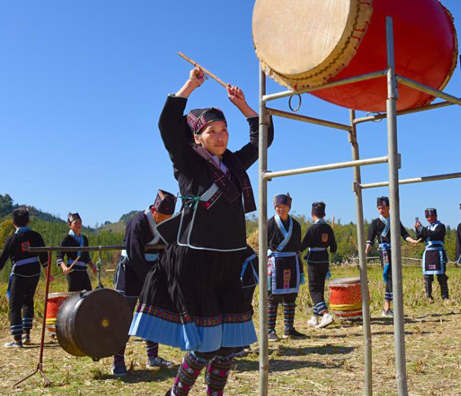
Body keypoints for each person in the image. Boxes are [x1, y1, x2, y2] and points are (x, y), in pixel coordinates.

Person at [128, 66, 272, 396]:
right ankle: (177, 393)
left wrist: (245, 107)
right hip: (195, 262)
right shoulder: (188, 163)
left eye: (224, 130)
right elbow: (167, 125)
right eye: (212, 131)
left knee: (228, 346)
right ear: (197, 137)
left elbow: (262, 139)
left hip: (229, 261)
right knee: (206, 345)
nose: (221, 136)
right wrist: (189, 86)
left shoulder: (235, 164)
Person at [111, 190, 178, 376]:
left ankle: (153, 357)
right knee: (125, 315)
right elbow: (134, 254)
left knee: (151, 313)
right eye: (162, 217)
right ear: (154, 210)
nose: (164, 221)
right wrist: (150, 277)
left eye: (168, 218)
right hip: (131, 272)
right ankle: (118, 360)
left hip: (152, 270)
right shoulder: (138, 222)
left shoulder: (165, 223)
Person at [0, 208, 51, 347]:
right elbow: (44, 257)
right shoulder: (36, 236)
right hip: (34, 272)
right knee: (28, 301)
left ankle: (17, 339)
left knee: (15, 304)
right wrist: (48, 273)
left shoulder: (12, 239)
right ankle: (26, 334)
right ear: (28, 221)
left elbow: (2, 260)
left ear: (13, 223)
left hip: (20, 272)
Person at [365, 196, 419, 318]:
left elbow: (404, 234)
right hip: (384, 252)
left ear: (389, 207)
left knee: (395, 277)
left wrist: (412, 241)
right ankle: (387, 308)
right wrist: (366, 251)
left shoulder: (395, 220)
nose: (380, 210)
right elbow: (370, 239)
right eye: (378, 208)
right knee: (390, 276)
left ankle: (389, 307)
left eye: (383, 208)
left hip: (394, 251)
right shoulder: (375, 223)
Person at [266, 193, 306, 341]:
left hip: (291, 262)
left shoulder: (296, 225)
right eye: (278, 207)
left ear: (289, 207)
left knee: (291, 296)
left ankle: (289, 329)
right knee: (273, 297)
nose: (280, 209)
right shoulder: (270, 224)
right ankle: (270, 330)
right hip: (275, 263)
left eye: (283, 207)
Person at [301, 201, 337, 329]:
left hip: (314, 261)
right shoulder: (328, 228)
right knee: (320, 288)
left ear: (312, 215)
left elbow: (303, 245)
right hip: (324, 260)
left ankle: (326, 315)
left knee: (313, 289)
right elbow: (333, 248)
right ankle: (315, 317)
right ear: (324, 214)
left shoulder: (312, 229)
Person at [414, 208, 449, 300]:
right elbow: (421, 238)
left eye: (431, 216)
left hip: (438, 251)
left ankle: (445, 295)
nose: (429, 218)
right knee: (428, 276)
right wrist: (417, 229)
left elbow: (432, 235)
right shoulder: (427, 228)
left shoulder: (441, 226)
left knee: (441, 275)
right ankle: (428, 295)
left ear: (435, 216)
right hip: (428, 252)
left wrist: (422, 229)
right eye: (427, 217)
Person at [57, 213, 97, 292]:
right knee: (74, 296)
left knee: (88, 294)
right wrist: (64, 267)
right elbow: (59, 256)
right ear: (69, 224)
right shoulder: (66, 239)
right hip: (72, 271)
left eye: (80, 222)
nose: (79, 225)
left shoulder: (84, 239)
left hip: (83, 271)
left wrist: (93, 267)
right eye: (76, 223)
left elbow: (86, 257)